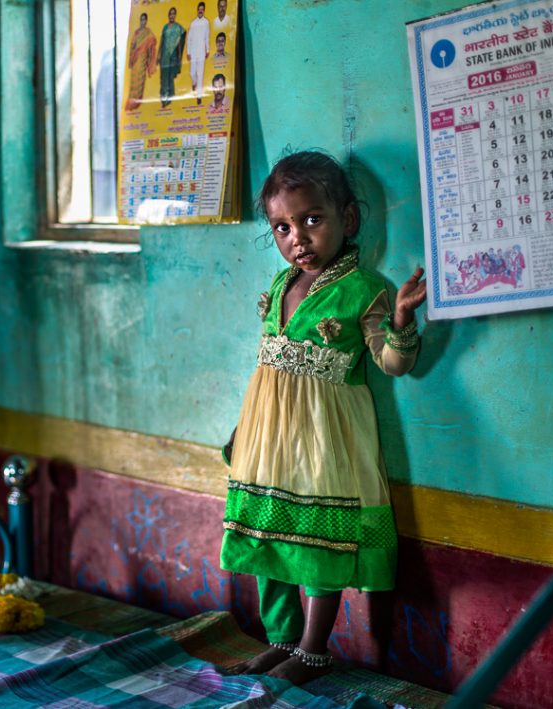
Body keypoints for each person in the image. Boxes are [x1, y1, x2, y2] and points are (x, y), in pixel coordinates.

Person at [220, 151, 426, 685]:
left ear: (348, 219)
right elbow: (268, 369)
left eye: (312, 219)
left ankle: (313, 650)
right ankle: (281, 640)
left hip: (323, 442)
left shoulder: (364, 289)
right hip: (268, 442)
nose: (297, 238)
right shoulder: (280, 288)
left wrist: (401, 319)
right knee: (270, 539)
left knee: (317, 543)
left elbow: (393, 363)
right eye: (282, 227)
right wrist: (244, 433)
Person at [126, 12, 157, 111]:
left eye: (144, 20)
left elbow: (152, 43)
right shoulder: (136, 33)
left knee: (141, 81)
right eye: (141, 20)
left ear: (146, 21)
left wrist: (149, 59)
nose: (143, 22)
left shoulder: (148, 32)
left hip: (143, 60)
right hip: (135, 60)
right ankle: (131, 102)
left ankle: (137, 102)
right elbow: (132, 46)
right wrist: (131, 58)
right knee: (134, 81)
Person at [157, 7, 185, 108]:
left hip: (173, 56)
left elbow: (180, 43)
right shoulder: (165, 27)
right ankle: (164, 98)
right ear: (168, 15)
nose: (172, 16)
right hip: (164, 55)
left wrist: (179, 56)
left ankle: (170, 97)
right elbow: (162, 41)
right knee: (163, 77)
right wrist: (158, 54)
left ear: (175, 15)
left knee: (170, 77)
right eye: (171, 14)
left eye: (174, 14)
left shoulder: (178, 28)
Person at [186, 2, 211, 104]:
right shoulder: (193, 23)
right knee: (192, 73)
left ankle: (199, 96)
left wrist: (208, 50)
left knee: (200, 74)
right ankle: (194, 82)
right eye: (199, 9)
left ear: (204, 11)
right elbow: (189, 38)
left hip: (201, 52)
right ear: (197, 10)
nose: (200, 11)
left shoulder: (206, 23)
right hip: (193, 51)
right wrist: (188, 52)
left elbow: (207, 37)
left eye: (202, 9)